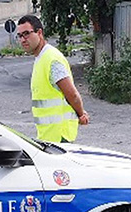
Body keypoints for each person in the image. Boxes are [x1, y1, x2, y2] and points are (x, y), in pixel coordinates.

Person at [15, 14, 89, 143]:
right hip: (49, 136)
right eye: (20, 36)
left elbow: (72, 94)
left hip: (59, 136)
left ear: (39, 33)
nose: (23, 39)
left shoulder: (52, 59)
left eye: (26, 34)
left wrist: (81, 114)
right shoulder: (41, 58)